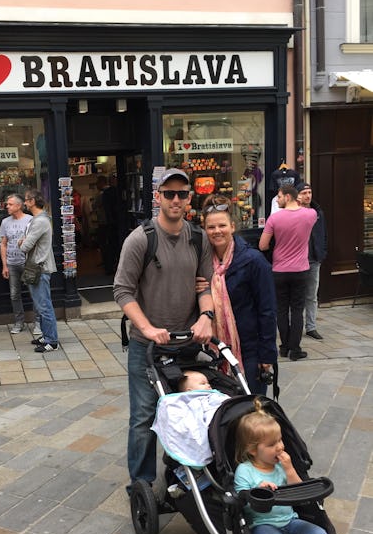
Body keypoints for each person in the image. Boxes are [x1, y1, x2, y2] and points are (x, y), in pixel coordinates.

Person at [113, 167, 215, 492]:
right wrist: (146, 327)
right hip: (148, 345)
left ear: (189, 198)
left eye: (181, 194)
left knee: (188, 411)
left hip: (186, 342)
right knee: (143, 416)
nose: (175, 199)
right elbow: (122, 291)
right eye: (168, 193)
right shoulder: (140, 239)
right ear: (157, 197)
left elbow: (205, 284)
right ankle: (141, 484)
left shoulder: (198, 238)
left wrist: (206, 316)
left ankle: (181, 474)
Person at [234, 399, 348, 534]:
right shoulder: (245, 472)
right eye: (271, 444)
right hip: (262, 524)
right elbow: (242, 502)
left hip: (290, 520)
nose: (280, 447)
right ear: (252, 450)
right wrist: (257, 491)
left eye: (280, 440)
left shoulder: (280, 466)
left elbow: (298, 490)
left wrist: (288, 468)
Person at [201, 195, 277, 395]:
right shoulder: (202, 263)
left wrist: (267, 355)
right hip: (214, 352)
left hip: (248, 350)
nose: (217, 231)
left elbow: (267, 310)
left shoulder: (253, 261)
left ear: (232, 227)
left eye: (222, 225)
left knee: (249, 412)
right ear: (205, 230)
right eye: (211, 227)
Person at [259, 185, 316, 362]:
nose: (277, 199)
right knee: (298, 310)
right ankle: (295, 349)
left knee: (282, 309)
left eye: (279, 196)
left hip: (280, 270)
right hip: (301, 269)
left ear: (288, 197)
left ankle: (284, 347)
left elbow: (262, 245)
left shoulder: (274, 219)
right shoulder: (310, 215)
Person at [17, 188, 59, 353]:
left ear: (33, 201)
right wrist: (25, 241)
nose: (25, 203)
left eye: (26, 200)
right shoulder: (38, 219)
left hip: (39, 268)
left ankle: (52, 341)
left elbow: (25, 245)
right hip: (37, 267)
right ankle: (46, 336)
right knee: (40, 305)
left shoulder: (40, 221)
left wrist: (22, 242)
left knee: (44, 306)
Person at [296, 183, 327, 341]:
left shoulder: (318, 212)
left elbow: (323, 233)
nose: (308, 195)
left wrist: (322, 252)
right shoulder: (293, 212)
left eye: (309, 192)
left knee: (312, 295)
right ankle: (294, 326)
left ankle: (311, 327)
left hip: (314, 258)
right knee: (295, 295)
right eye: (304, 192)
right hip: (297, 260)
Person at [0, 194, 34, 334]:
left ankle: (38, 322)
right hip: (12, 263)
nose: (7, 206)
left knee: (34, 293)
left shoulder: (30, 220)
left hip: (28, 263)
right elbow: (3, 244)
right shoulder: (5, 222)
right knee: (14, 294)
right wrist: (4, 265)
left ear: (19, 206)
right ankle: (19, 322)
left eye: (10, 204)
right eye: (7, 204)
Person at [94, 175, 114, 275]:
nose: (96, 185)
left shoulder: (101, 194)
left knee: (104, 244)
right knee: (110, 243)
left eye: (97, 183)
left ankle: (108, 265)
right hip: (111, 222)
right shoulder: (113, 192)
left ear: (102, 183)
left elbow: (94, 205)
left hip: (103, 222)